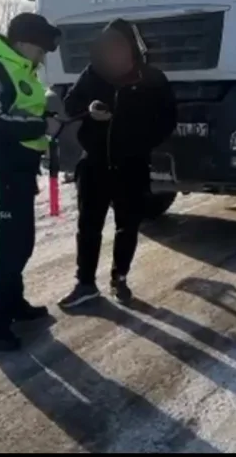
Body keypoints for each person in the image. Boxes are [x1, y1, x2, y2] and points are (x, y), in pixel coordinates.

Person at [58, 18, 177, 309]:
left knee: (128, 226)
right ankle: (85, 283)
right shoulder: (92, 74)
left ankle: (119, 278)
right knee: (88, 226)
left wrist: (137, 138)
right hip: (94, 164)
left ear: (133, 48)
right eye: (107, 46)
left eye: (118, 46)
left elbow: (167, 121)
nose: (113, 52)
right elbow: (72, 105)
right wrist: (89, 110)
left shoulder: (152, 79)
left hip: (131, 166)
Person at [0, 12, 62, 352]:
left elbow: (25, 112)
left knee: (20, 243)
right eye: (41, 48)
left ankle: (12, 304)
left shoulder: (24, 71)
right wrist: (41, 127)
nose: (44, 55)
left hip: (20, 171)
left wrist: (46, 120)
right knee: (0, 249)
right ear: (24, 43)